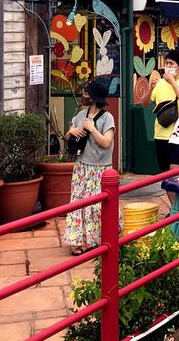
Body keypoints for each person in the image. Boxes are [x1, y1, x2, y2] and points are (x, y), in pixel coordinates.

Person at [63, 79, 116, 256]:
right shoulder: (80, 115)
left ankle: (100, 238)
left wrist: (92, 129)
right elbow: (68, 138)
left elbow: (106, 142)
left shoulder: (107, 118)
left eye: (87, 93)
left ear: (93, 98)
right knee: (78, 203)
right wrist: (71, 132)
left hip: (100, 169)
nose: (83, 96)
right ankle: (78, 241)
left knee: (96, 206)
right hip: (81, 166)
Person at [143, 49, 179, 183]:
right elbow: (145, 103)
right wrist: (150, 89)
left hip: (178, 133)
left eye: (171, 64)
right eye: (166, 63)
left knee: (175, 172)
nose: (168, 66)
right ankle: (174, 205)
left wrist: (173, 83)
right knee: (166, 175)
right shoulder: (159, 83)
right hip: (160, 133)